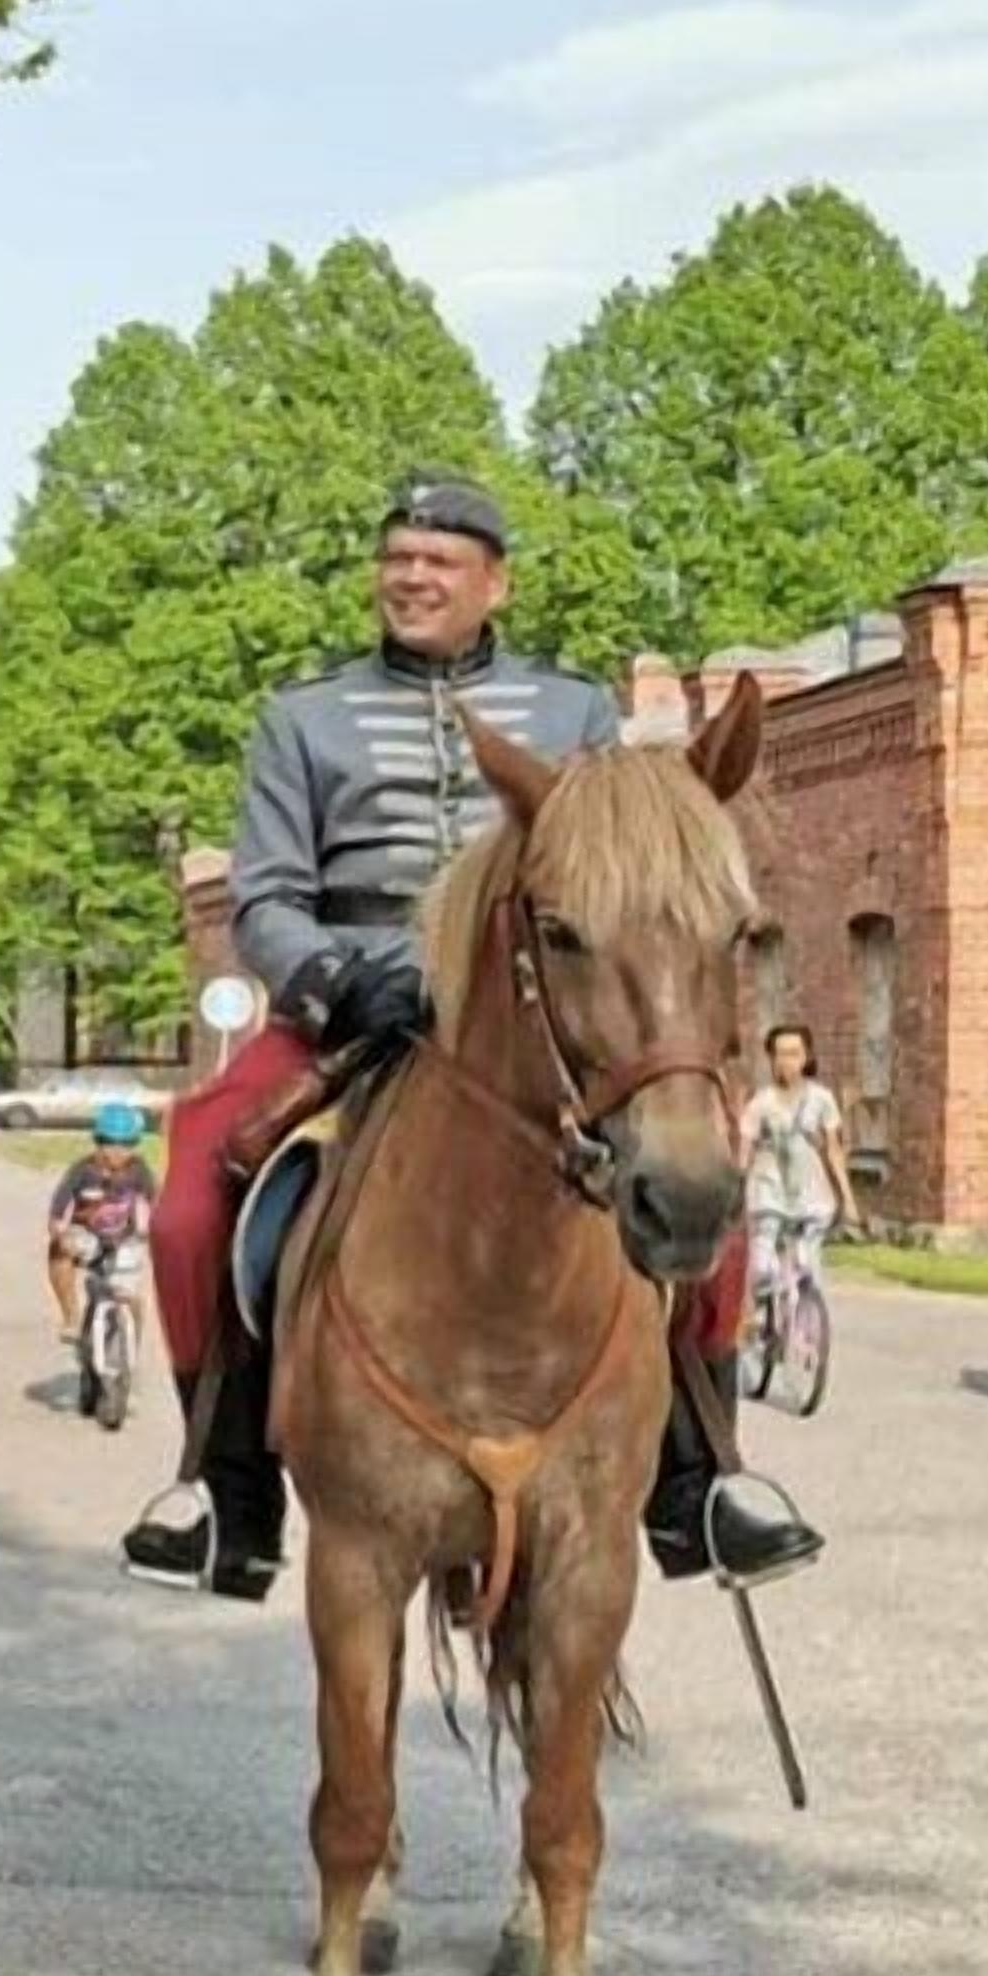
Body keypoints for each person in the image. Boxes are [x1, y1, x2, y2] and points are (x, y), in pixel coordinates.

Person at [119, 472, 822, 1602]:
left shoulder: (573, 710)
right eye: (396, 557)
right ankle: (228, 1493)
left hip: (528, 1010)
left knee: (702, 1188)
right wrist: (341, 978)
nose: (411, 577)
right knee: (194, 1201)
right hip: (355, 1005)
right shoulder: (303, 718)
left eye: (438, 561)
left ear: (495, 581)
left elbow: (615, 877)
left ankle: (700, 1480)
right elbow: (265, 901)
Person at [740, 1019, 859, 1288]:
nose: (786, 1062)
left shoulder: (822, 1099)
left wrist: (848, 1199)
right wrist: (737, 1191)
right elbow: (745, 1150)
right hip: (769, 1190)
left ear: (806, 1057)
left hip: (810, 1192)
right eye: (779, 1054)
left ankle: (805, 1309)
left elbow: (834, 1150)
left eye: (794, 1054)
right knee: (762, 1268)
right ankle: (765, 1302)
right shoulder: (761, 1102)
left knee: (806, 1267)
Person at [46, 1099, 157, 1344]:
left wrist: (156, 1231)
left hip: (124, 1240)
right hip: (88, 1238)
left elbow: (157, 1203)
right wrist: (60, 1234)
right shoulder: (83, 1170)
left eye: (126, 1144)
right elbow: (58, 1208)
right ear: (97, 1141)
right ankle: (71, 1317)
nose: (117, 1152)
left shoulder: (138, 1171)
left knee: (131, 1297)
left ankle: (129, 1347)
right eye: (109, 1143)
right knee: (57, 1252)